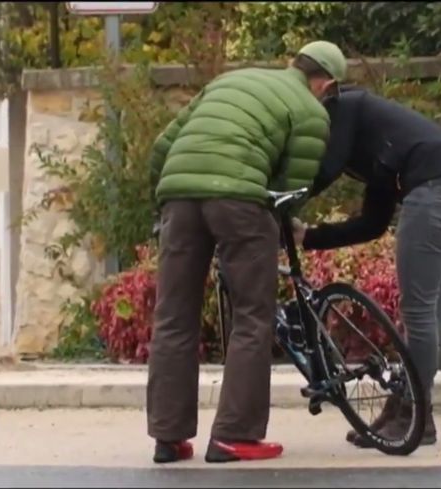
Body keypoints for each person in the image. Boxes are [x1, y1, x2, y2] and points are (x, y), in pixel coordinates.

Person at [146, 40, 347, 465]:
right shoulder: (311, 111)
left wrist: (164, 202)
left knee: (173, 315)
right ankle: (234, 436)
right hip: (239, 201)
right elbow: (291, 188)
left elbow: (163, 147)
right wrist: (276, 224)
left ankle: (169, 438)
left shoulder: (230, 80)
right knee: (253, 315)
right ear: (326, 84)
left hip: (178, 196)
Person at [293, 85, 441, 448]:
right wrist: (309, 237)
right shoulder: (381, 148)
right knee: (420, 313)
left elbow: (325, 168)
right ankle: (400, 410)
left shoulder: (344, 106)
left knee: (419, 313)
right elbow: (372, 224)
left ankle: (415, 415)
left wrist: (280, 200)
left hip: (433, 194)